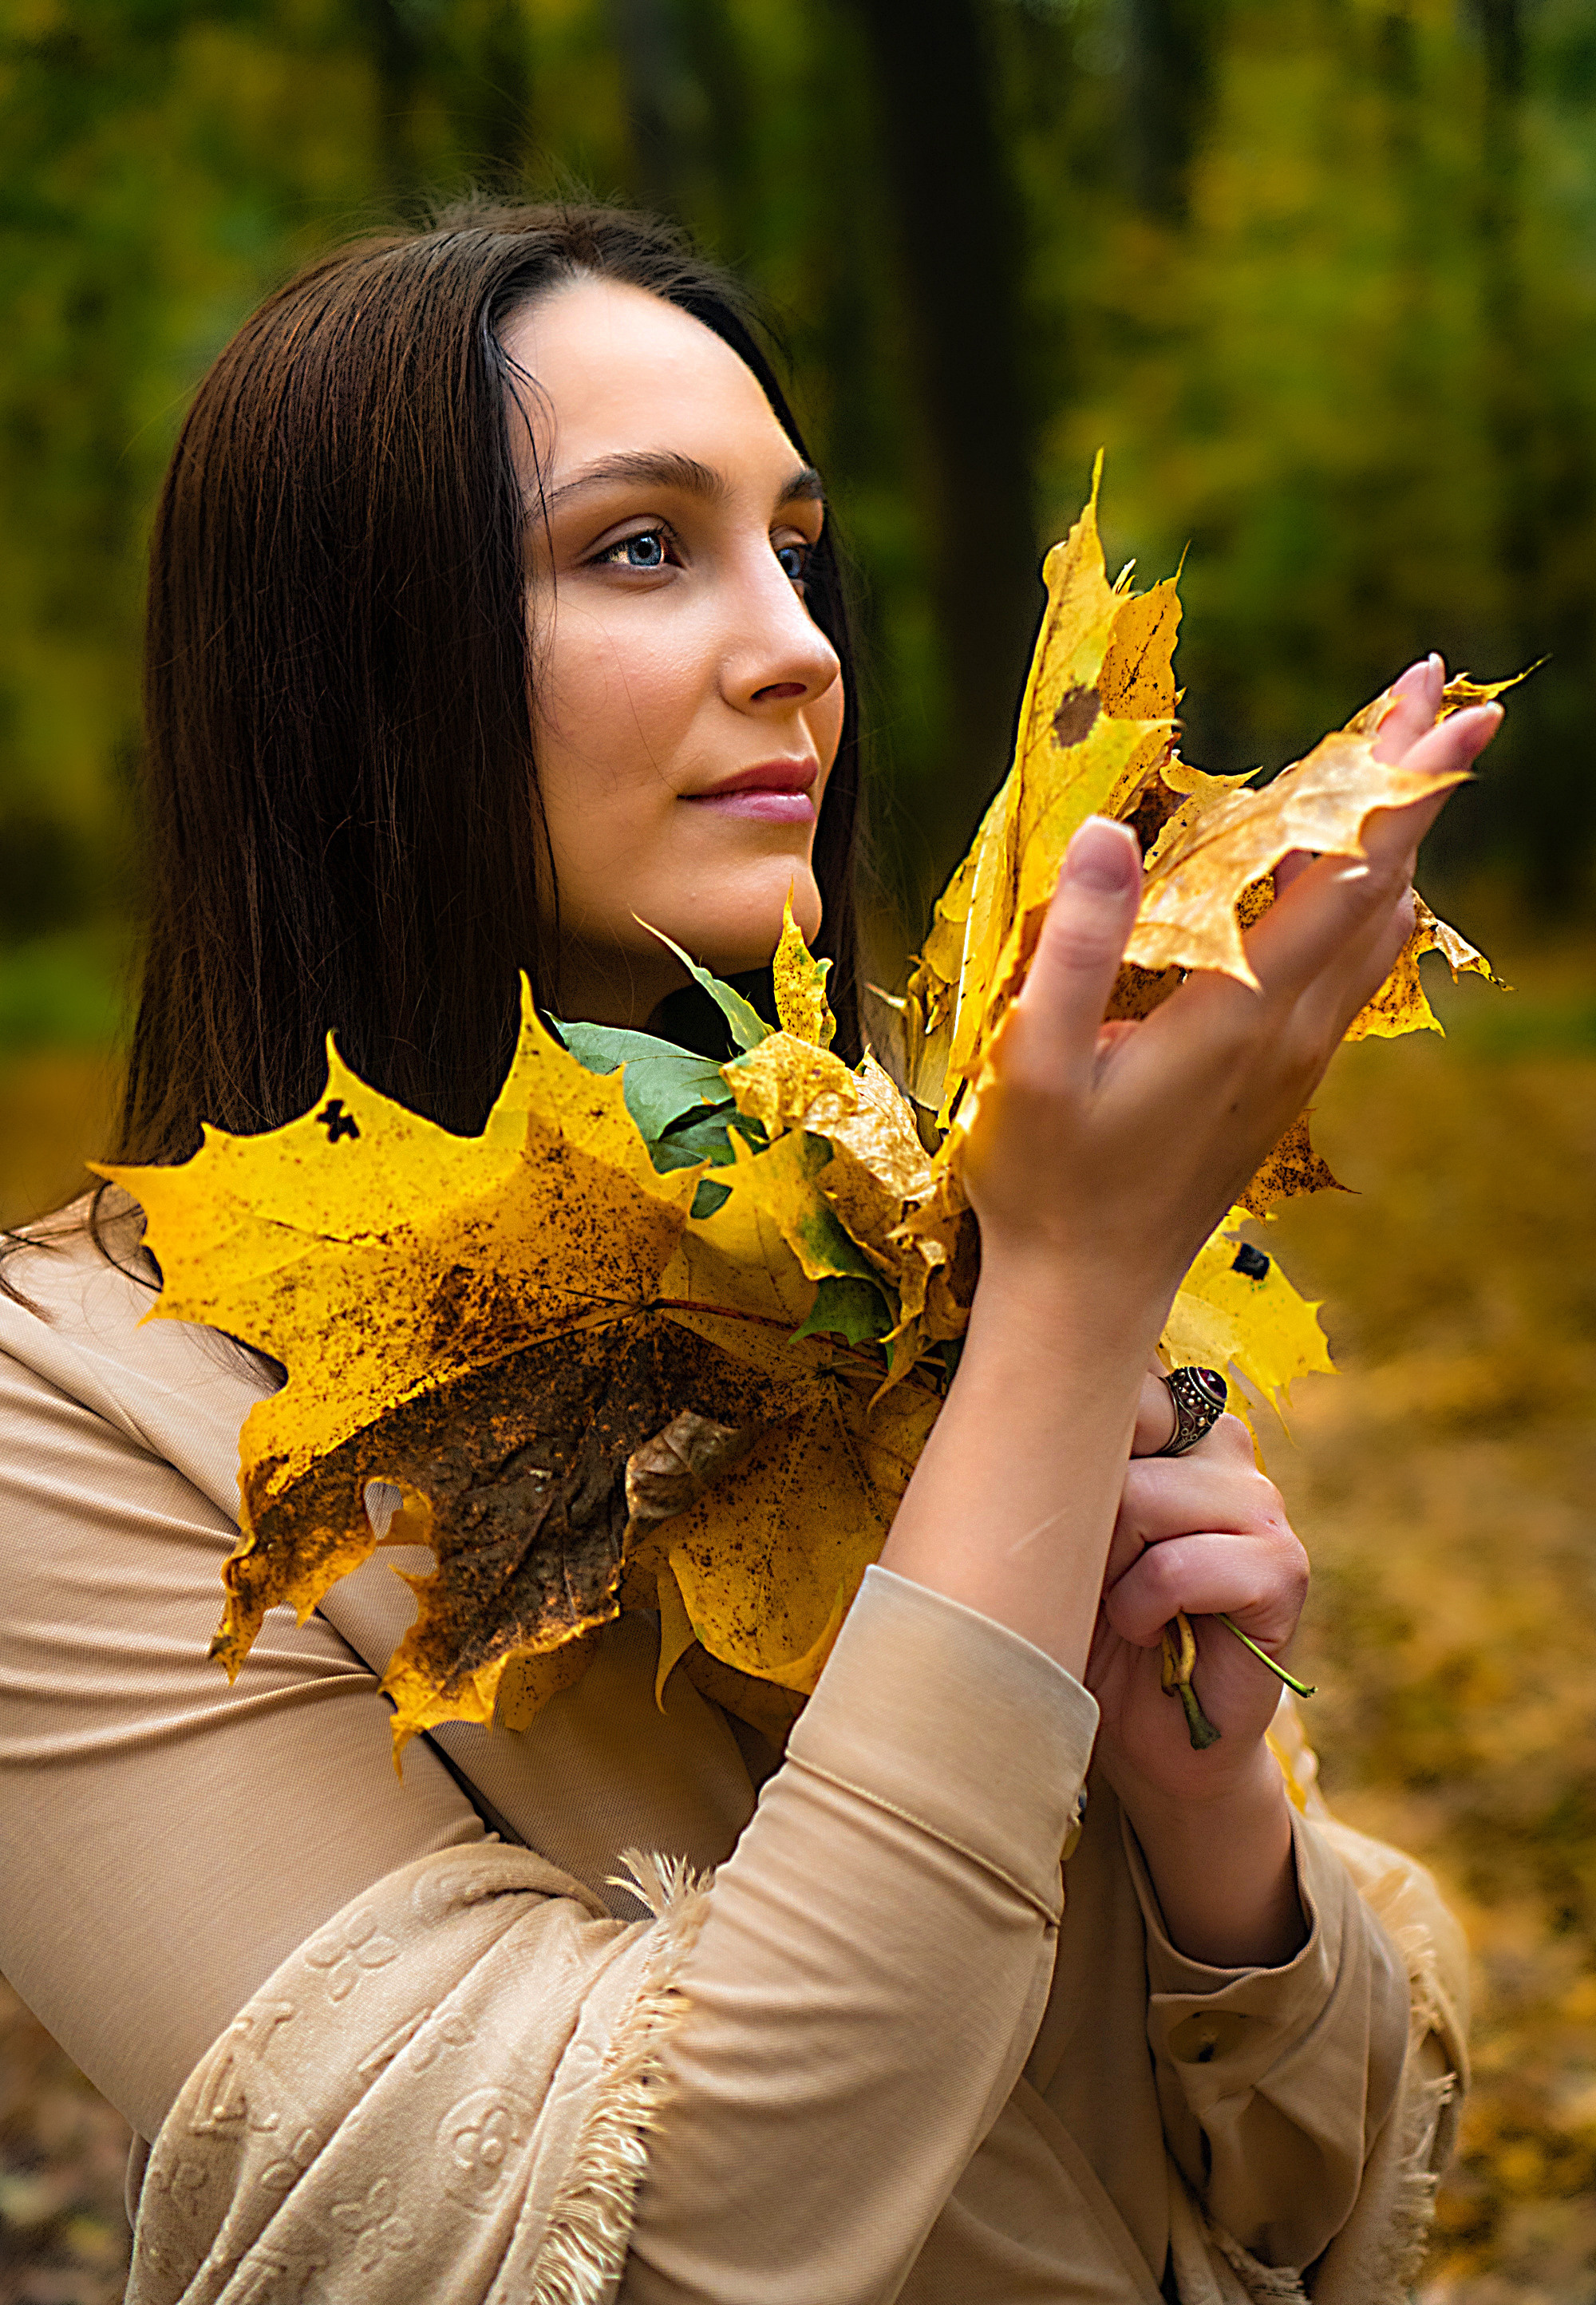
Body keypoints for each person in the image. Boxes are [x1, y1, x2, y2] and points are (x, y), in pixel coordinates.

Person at [0, 200, 1487, 2305]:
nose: (799, 645)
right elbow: (668, 2250)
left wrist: (1215, 1835)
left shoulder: (919, 1227)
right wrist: (1067, 1311)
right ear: (349, 669)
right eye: (638, 547)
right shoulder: (80, 1418)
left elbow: (1304, 2218)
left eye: (798, 548)